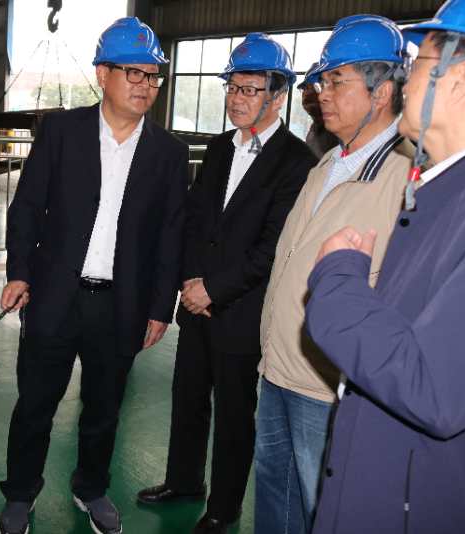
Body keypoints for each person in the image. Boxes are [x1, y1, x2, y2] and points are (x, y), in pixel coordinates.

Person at [306, 1, 465, 532]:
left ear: (459, 78)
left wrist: (338, 276)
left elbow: (433, 388)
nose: (406, 83)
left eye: (417, 64)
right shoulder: (454, 187)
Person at [0, 17, 189, 534]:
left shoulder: (168, 153)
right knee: (35, 404)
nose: (146, 85)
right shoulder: (62, 132)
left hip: (121, 304)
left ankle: (91, 487)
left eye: (153, 76)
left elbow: (171, 235)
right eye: (134, 73)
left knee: (104, 409)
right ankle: (20, 494)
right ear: (103, 74)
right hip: (54, 296)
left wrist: (160, 308)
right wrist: (19, 272)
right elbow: (27, 207)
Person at [136, 33, 317, 534]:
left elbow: (272, 247)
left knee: (235, 412)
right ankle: (183, 481)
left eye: (250, 89)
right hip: (197, 302)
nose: (237, 99)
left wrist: (213, 290)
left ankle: (224, 505)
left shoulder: (295, 162)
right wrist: (189, 281)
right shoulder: (218, 148)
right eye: (233, 88)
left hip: (240, 309)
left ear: (277, 95)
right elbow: (195, 220)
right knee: (188, 397)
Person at [256, 16, 413, 534]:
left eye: (336, 81)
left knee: (320, 509)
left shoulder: (402, 179)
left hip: (325, 387)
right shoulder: (326, 164)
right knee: (274, 503)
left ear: (381, 91)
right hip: (278, 368)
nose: (322, 93)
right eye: (322, 81)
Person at [298, 63, 338, 158]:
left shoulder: (336, 131)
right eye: (305, 88)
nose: (306, 93)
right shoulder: (315, 129)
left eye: (315, 87)